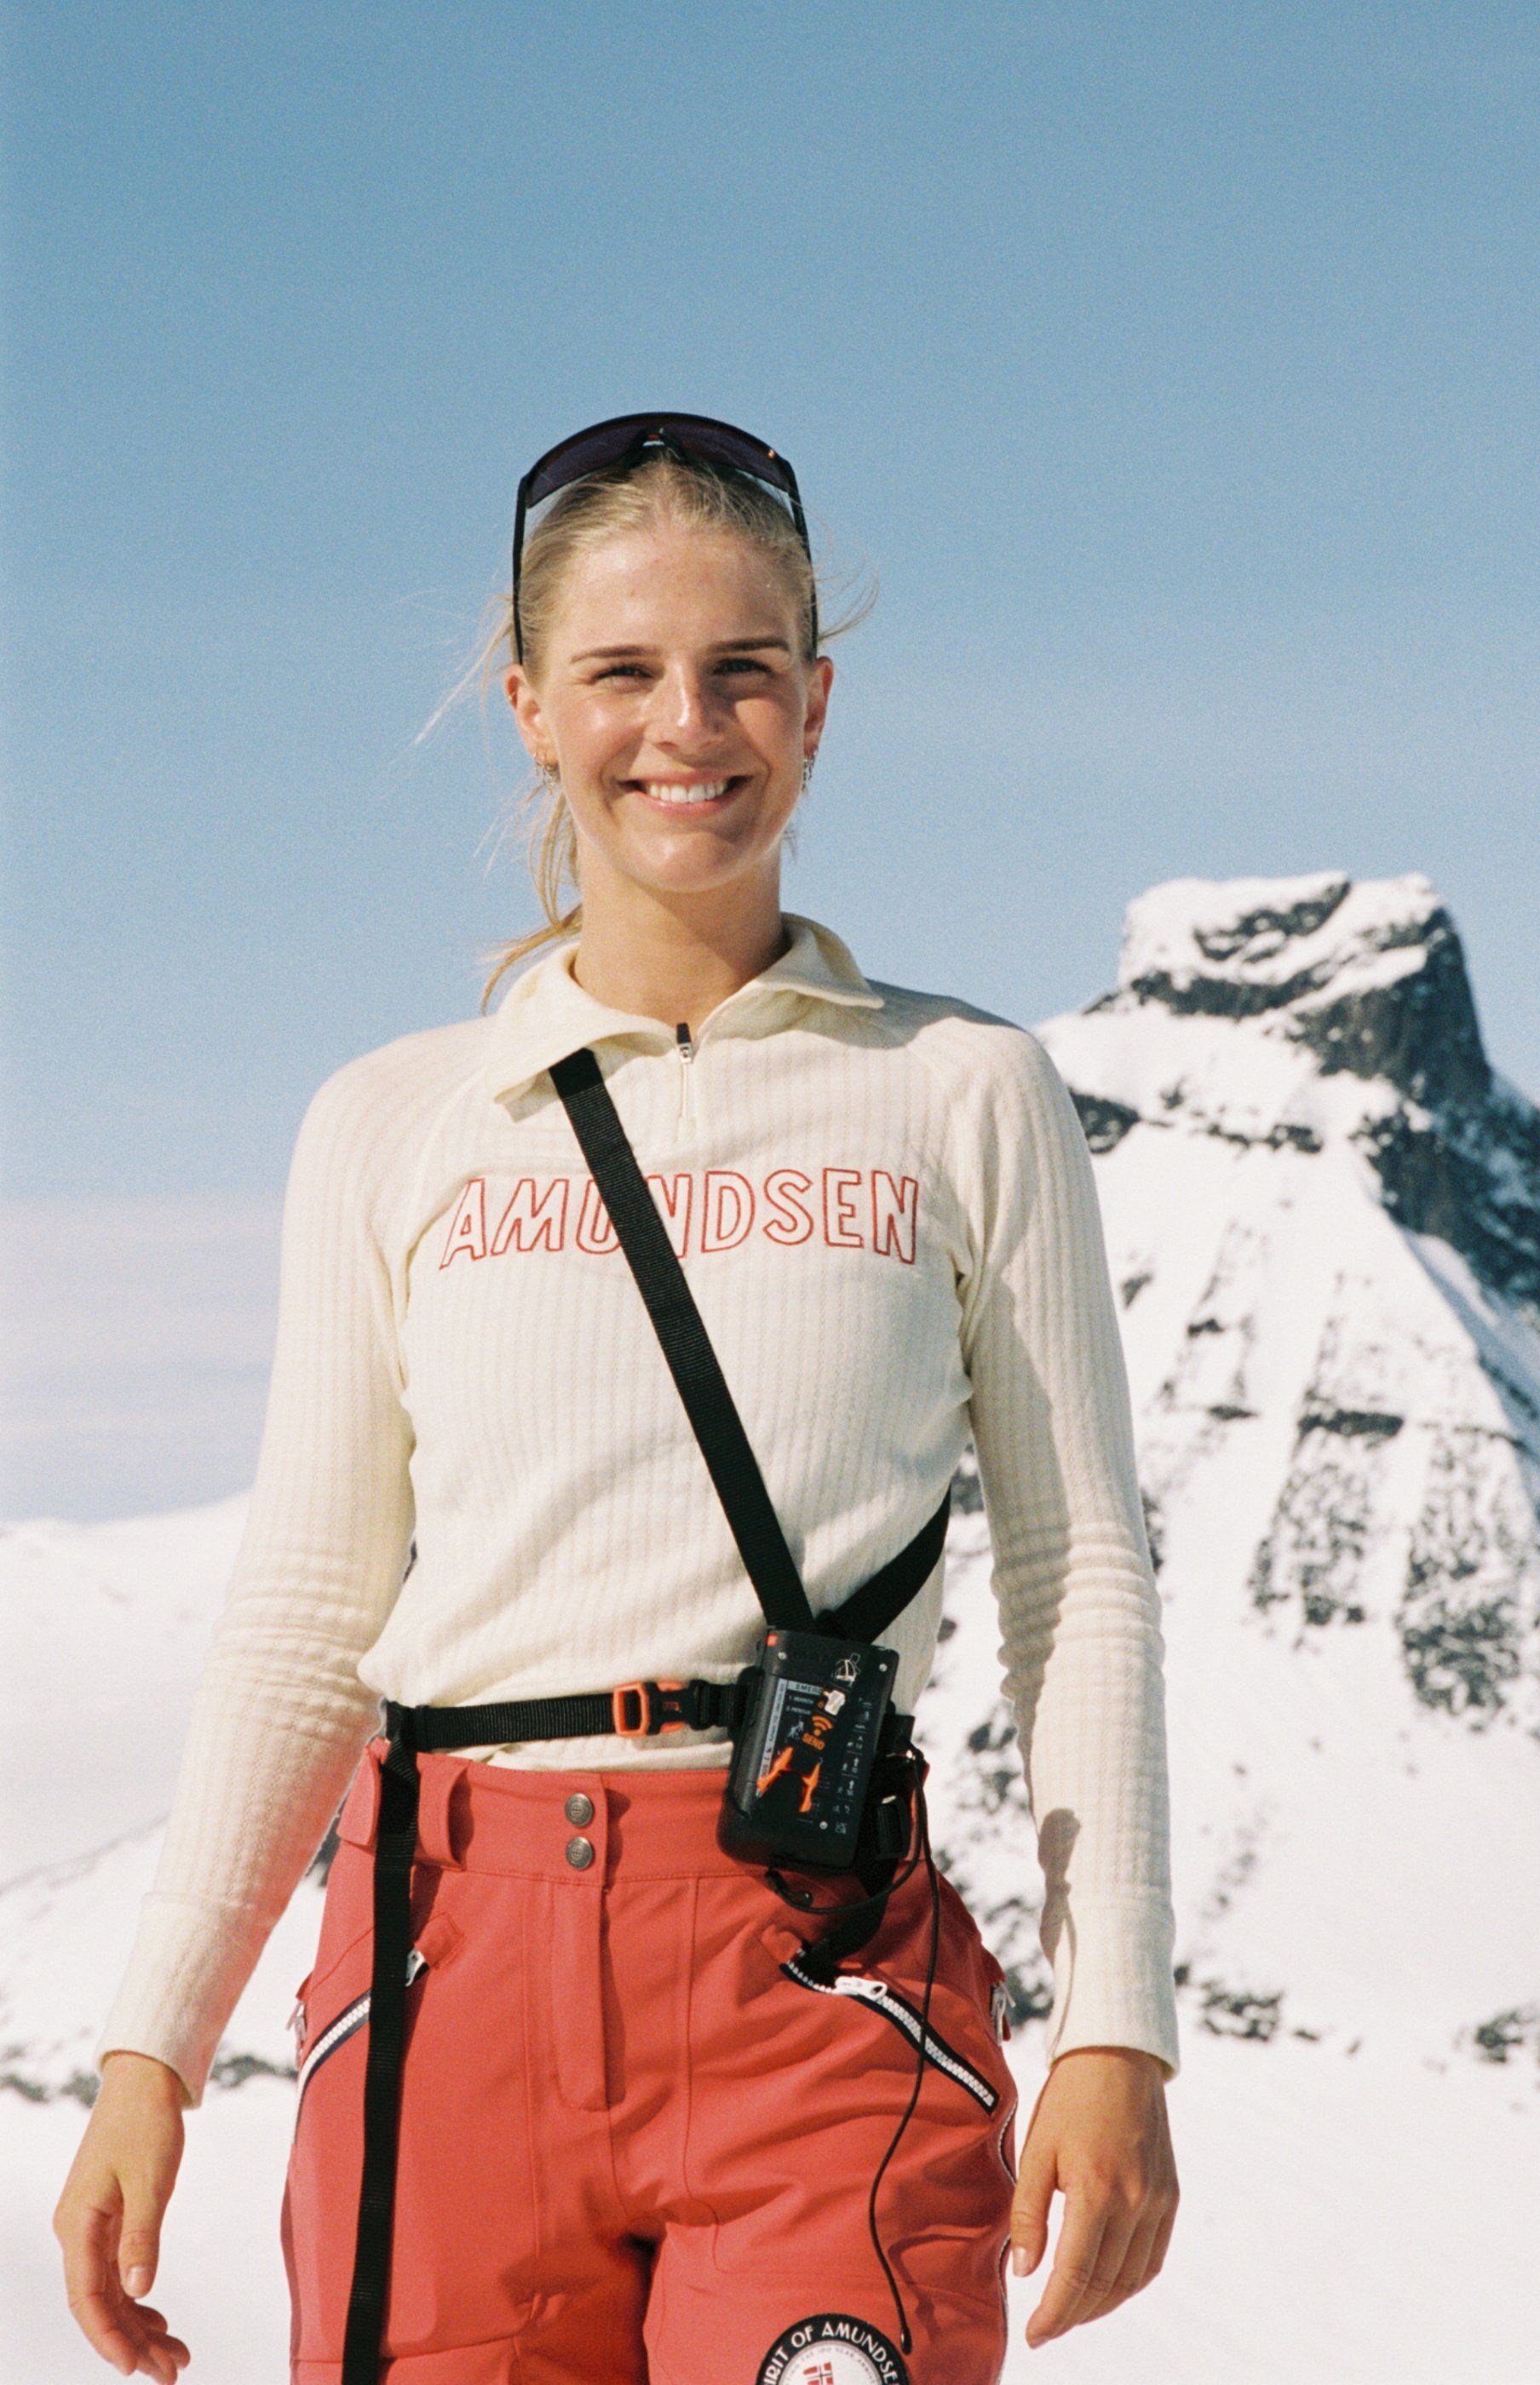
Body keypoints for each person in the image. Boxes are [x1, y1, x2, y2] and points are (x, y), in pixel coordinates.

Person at [55, 413, 1180, 2385]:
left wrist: (1119, 2023)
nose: (690, 724)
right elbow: (314, 1608)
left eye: (744, 667)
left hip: (816, 1958)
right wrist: (153, 2039)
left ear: (818, 705)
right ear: (528, 707)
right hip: (440, 1967)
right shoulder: (394, 1122)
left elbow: (1079, 1568)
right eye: (624, 673)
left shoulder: (959, 1090)